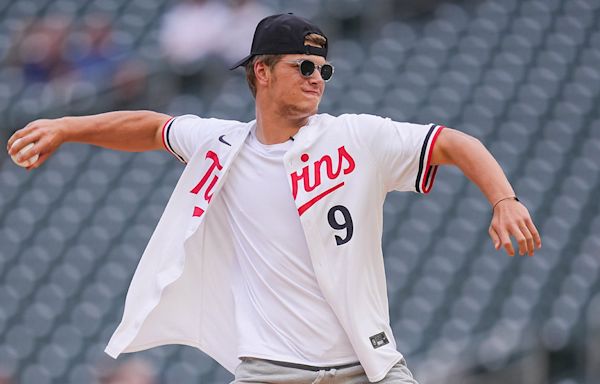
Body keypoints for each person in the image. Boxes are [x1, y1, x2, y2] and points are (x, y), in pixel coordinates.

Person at [7, 13, 541, 384]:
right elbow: (151, 127)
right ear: (260, 71)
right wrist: (68, 125)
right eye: (303, 66)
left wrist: (504, 198)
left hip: (364, 362)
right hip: (272, 368)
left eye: (324, 69)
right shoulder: (222, 146)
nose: (317, 78)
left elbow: (452, 142)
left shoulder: (356, 136)